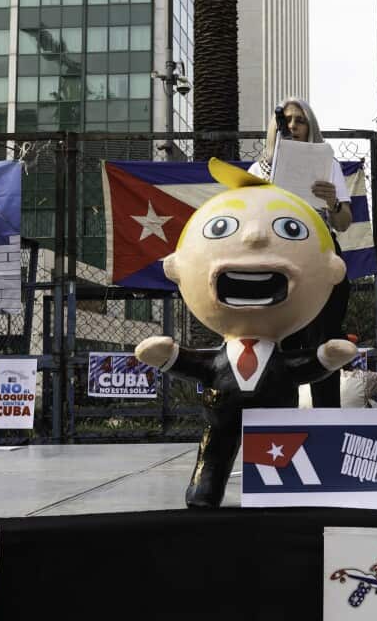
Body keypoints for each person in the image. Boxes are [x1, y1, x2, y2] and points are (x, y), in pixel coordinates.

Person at [135, 159, 358, 508]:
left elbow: (302, 366)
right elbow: (200, 365)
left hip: (278, 423)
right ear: (176, 268)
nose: (254, 238)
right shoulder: (260, 169)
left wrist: (324, 357)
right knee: (213, 455)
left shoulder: (321, 169)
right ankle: (205, 490)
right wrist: (171, 357)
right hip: (220, 414)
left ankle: (278, 488)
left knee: (280, 461)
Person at [257, 97, 352, 408]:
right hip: (277, 261)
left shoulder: (327, 164)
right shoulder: (259, 169)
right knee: (281, 341)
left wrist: (333, 202)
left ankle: (326, 421)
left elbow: (345, 223)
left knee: (323, 340)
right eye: (287, 120)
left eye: (300, 120)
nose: (294, 126)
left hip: (319, 259)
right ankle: (280, 421)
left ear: (310, 126)